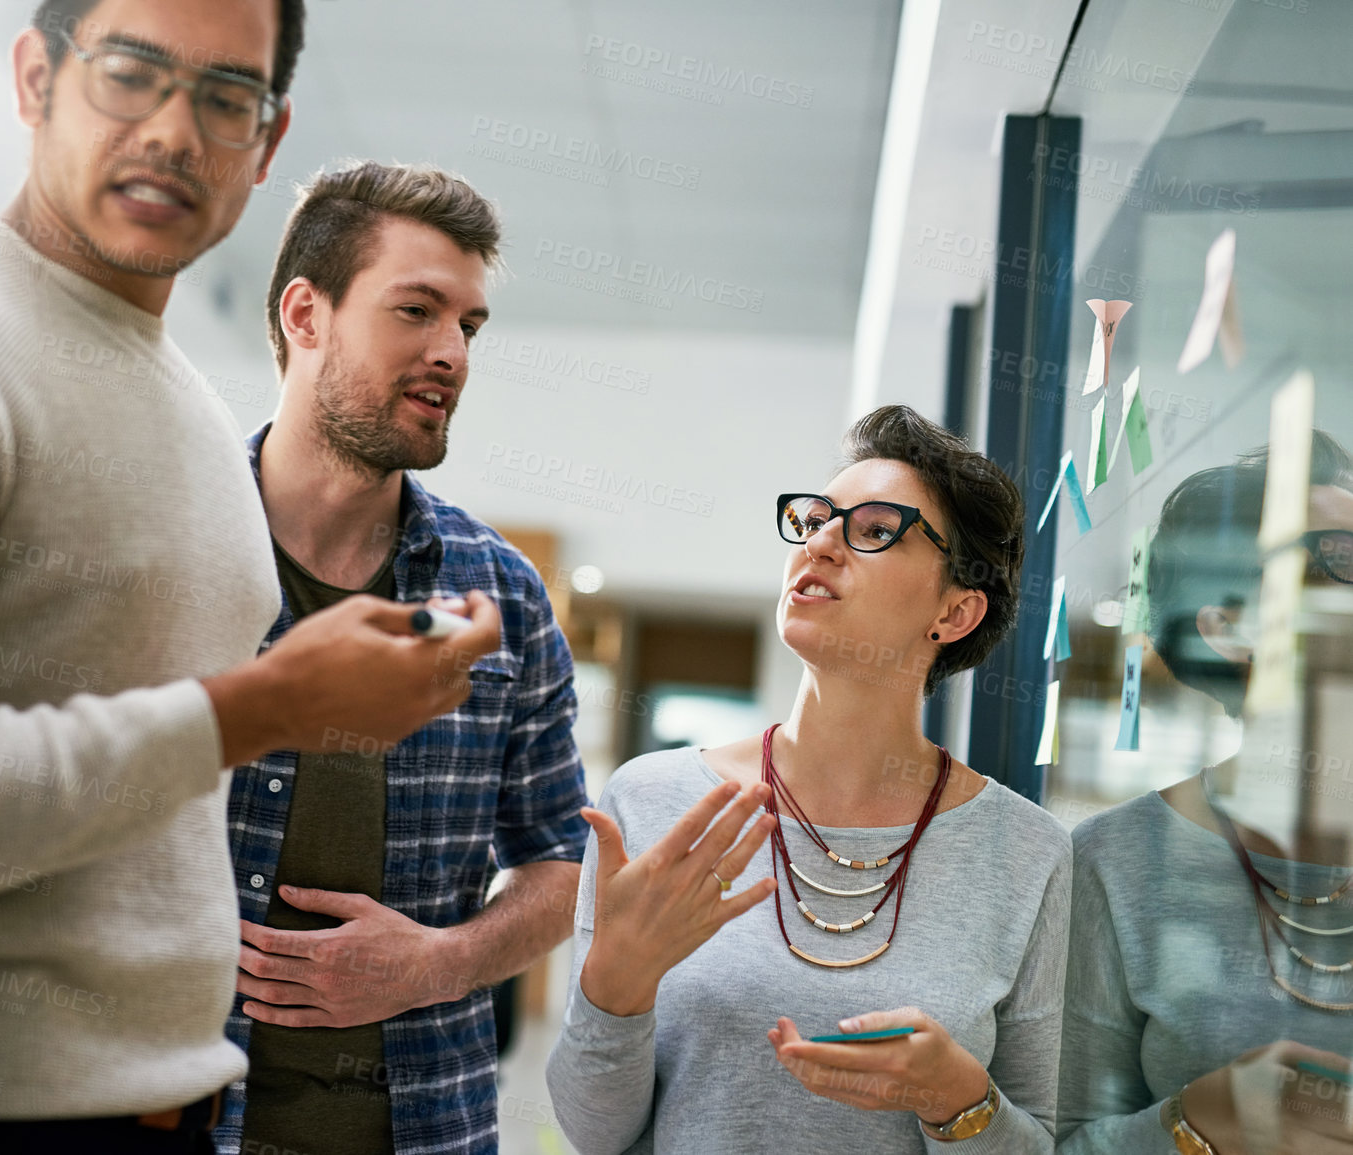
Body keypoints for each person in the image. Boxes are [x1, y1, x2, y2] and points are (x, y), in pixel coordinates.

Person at [0, 3, 501, 1152]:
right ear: (34, 78)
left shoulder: (200, 421)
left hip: (169, 1110)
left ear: (267, 146)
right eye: (130, 73)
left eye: (225, 98)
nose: (174, 131)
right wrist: (259, 710)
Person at [546, 405, 1071, 1153]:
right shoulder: (652, 799)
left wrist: (954, 1097)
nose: (821, 541)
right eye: (816, 517)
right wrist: (614, 986)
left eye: (873, 528)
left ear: (954, 611)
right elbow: (592, 1133)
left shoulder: (1028, 852)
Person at [220, 162, 590, 1155]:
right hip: (170, 1115)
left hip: (425, 1130)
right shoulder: (172, 545)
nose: (451, 354)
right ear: (306, 314)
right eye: (416, 310)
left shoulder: (501, 595)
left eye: (468, 325)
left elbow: (563, 859)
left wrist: (438, 963)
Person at [1057, 433, 1353, 1153]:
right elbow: (1052, 1143)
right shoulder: (1115, 862)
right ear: (1229, 628)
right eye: (1339, 558)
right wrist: (1202, 1120)